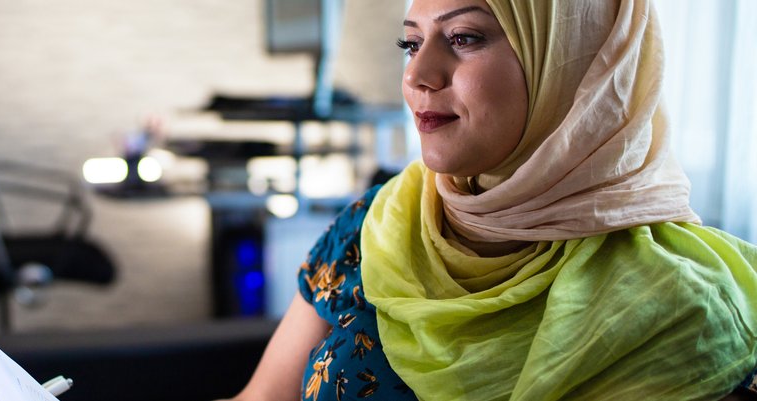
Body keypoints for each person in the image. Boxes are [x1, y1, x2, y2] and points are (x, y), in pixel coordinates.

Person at [223, 0, 757, 399]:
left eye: (463, 38)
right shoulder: (378, 220)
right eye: (411, 44)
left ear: (572, 61)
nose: (416, 75)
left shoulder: (676, 305)